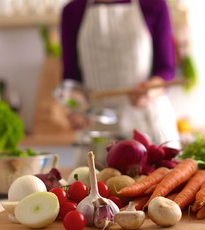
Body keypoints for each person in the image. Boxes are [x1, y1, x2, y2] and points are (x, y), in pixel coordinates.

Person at [57, 0, 181, 148]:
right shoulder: (72, 11)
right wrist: (76, 107)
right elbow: (71, 77)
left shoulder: (154, 5)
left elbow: (166, 69)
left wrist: (151, 89)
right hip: (97, 128)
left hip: (147, 123)